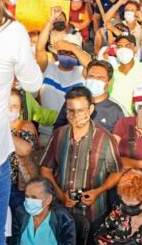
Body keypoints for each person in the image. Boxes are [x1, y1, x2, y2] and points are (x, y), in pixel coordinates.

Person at [41, 85, 122, 225]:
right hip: (61, 211)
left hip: (93, 214)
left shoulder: (105, 138)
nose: (76, 115)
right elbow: (45, 169)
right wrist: (60, 195)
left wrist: (98, 191)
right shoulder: (59, 135)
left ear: (90, 109)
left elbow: (117, 172)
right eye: (71, 110)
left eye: (80, 110)